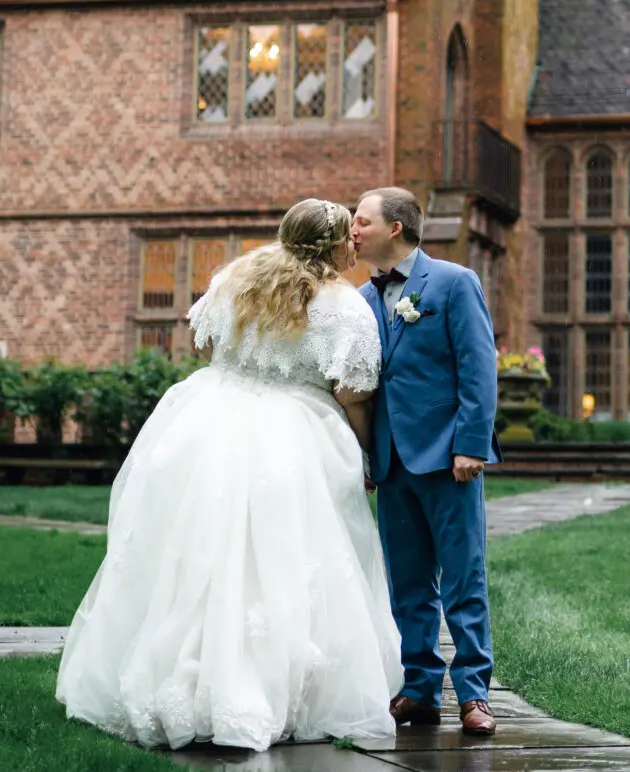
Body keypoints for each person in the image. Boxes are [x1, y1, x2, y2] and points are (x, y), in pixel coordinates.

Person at [55, 199, 400, 750]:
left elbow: (208, 346)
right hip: (294, 437)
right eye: (347, 239)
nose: (354, 247)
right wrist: (366, 451)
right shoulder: (344, 307)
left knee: (199, 550)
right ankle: (266, 685)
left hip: (209, 420)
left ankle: (184, 673)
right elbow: (353, 393)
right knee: (283, 557)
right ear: (334, 245)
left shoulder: (235, 279)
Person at [350, 187, 500, 737]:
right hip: (391, 462)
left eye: (361, 221)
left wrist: (471, 444)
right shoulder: (361, 300)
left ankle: (474, 693)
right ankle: (419, 689)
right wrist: (366, 456)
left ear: (395, 228)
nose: (352, 230)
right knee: (408, 584)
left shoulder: (455, 283)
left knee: (463, 579)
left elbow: (478, 367)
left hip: (447, 456)